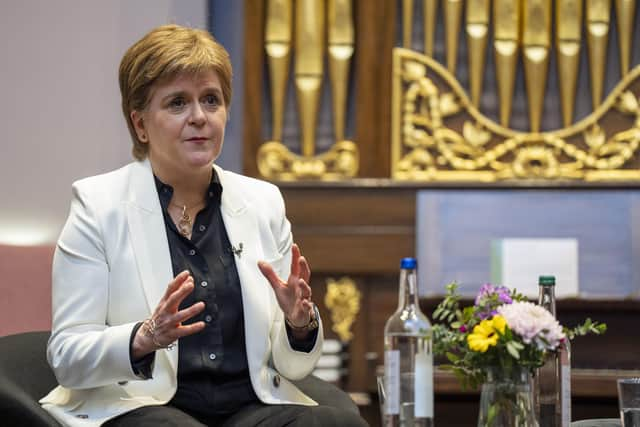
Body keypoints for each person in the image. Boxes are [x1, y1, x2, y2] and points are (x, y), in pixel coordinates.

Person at [39, 24, 368, 427]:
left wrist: (300, 326)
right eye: (177, 103)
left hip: (248, 407)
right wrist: (143, 338)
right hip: (146, 407)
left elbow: (292, 367)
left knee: (340, 423)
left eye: (211, 100)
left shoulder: (262, 203)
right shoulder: (98, 206)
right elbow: (67, 357)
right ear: (140, 124)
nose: (199, 117)